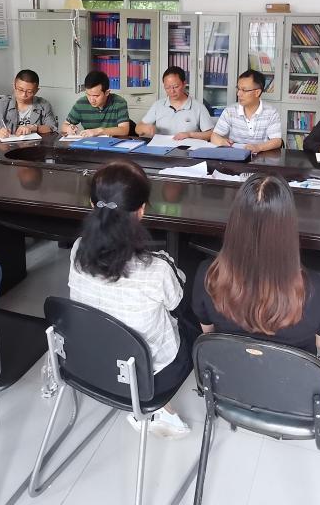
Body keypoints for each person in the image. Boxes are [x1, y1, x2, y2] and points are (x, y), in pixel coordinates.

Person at [68, 159, 195, 438]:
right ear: (141, 210)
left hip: (87, 361)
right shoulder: (157, 268)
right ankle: (159, 409)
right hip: (149, 378)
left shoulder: (78, 250)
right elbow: (179, 304)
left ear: (92, 205)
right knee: (192, 322)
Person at [193, 174, 320, 355]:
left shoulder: (208, 277)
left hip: (229, 369)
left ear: (235, 222)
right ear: (288, 224)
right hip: (291, 373)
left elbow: (208, 333)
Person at [209, 69, 282, 153]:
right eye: (238, 89)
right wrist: (222, 142)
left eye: (244, 90)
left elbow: (277, 141)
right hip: (235, 155)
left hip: (261, 157)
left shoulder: (271, 112)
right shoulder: (230, 111)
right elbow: (214, 136)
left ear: (257, 92)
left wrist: (258, 147)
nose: (238, 94)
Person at [135, 67, 213, 141]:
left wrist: (190, 134)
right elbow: (138, 128)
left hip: (186, 148)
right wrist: (145, 128)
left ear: (184, 84)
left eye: (176, 87)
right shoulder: (158, 105)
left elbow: (210, 134)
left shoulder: (198, 107)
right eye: (167, 87)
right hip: (162, 148)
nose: (172, 91)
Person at [0, 69, 57, 138]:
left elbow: (52, 127)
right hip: (8, 146)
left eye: (29, 92)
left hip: (35, 146)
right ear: (14, 86)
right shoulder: (1, 105)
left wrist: (34, 127)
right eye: (20, 90)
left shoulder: (44, 105)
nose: (24, 95)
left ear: (36, 90)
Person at [61, 70, 130, 137]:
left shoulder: (119, 102)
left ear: (107, 93)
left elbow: (124, 130)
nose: (91, 100)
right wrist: (68, 129)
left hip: (112, 143)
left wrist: (99, 131)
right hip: (89, 143)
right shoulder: (81, 103)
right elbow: (64, 125)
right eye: (88, 94)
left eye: (96, 96)